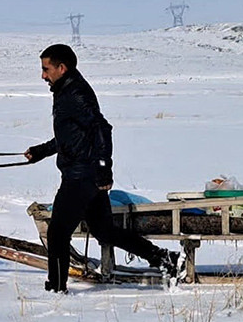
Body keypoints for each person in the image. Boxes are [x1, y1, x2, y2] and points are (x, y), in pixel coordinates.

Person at [24, 43, 178, 292]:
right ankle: (163, 258)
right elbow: (72, 137)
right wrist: (41, 151)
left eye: (46, 69)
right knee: (104, 231)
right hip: (87, 174)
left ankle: (56, 288)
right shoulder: (65, 91)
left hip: (81, 176)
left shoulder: (76, 93)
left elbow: (102, 129)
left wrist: (104, 168)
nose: (43, 75)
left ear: (62, 68)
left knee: (57, 233)